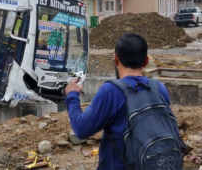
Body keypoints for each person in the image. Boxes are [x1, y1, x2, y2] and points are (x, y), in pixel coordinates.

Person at [64, 33, 171, 170]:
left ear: (115, 59)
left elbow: (81, 129)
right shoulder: (159, 88)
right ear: (146, 61)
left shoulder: (111, 91)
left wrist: (72, 95)